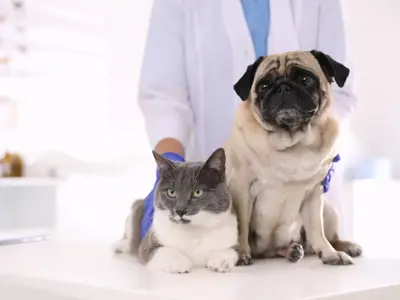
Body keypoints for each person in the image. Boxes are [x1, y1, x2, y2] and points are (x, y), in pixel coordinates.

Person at [138, 0, 357, 239]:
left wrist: (324, 154)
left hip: (304, 206)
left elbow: (341, 89)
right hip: (206, 204)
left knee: (312, 269)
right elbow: (163, 96)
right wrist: (171, 164)